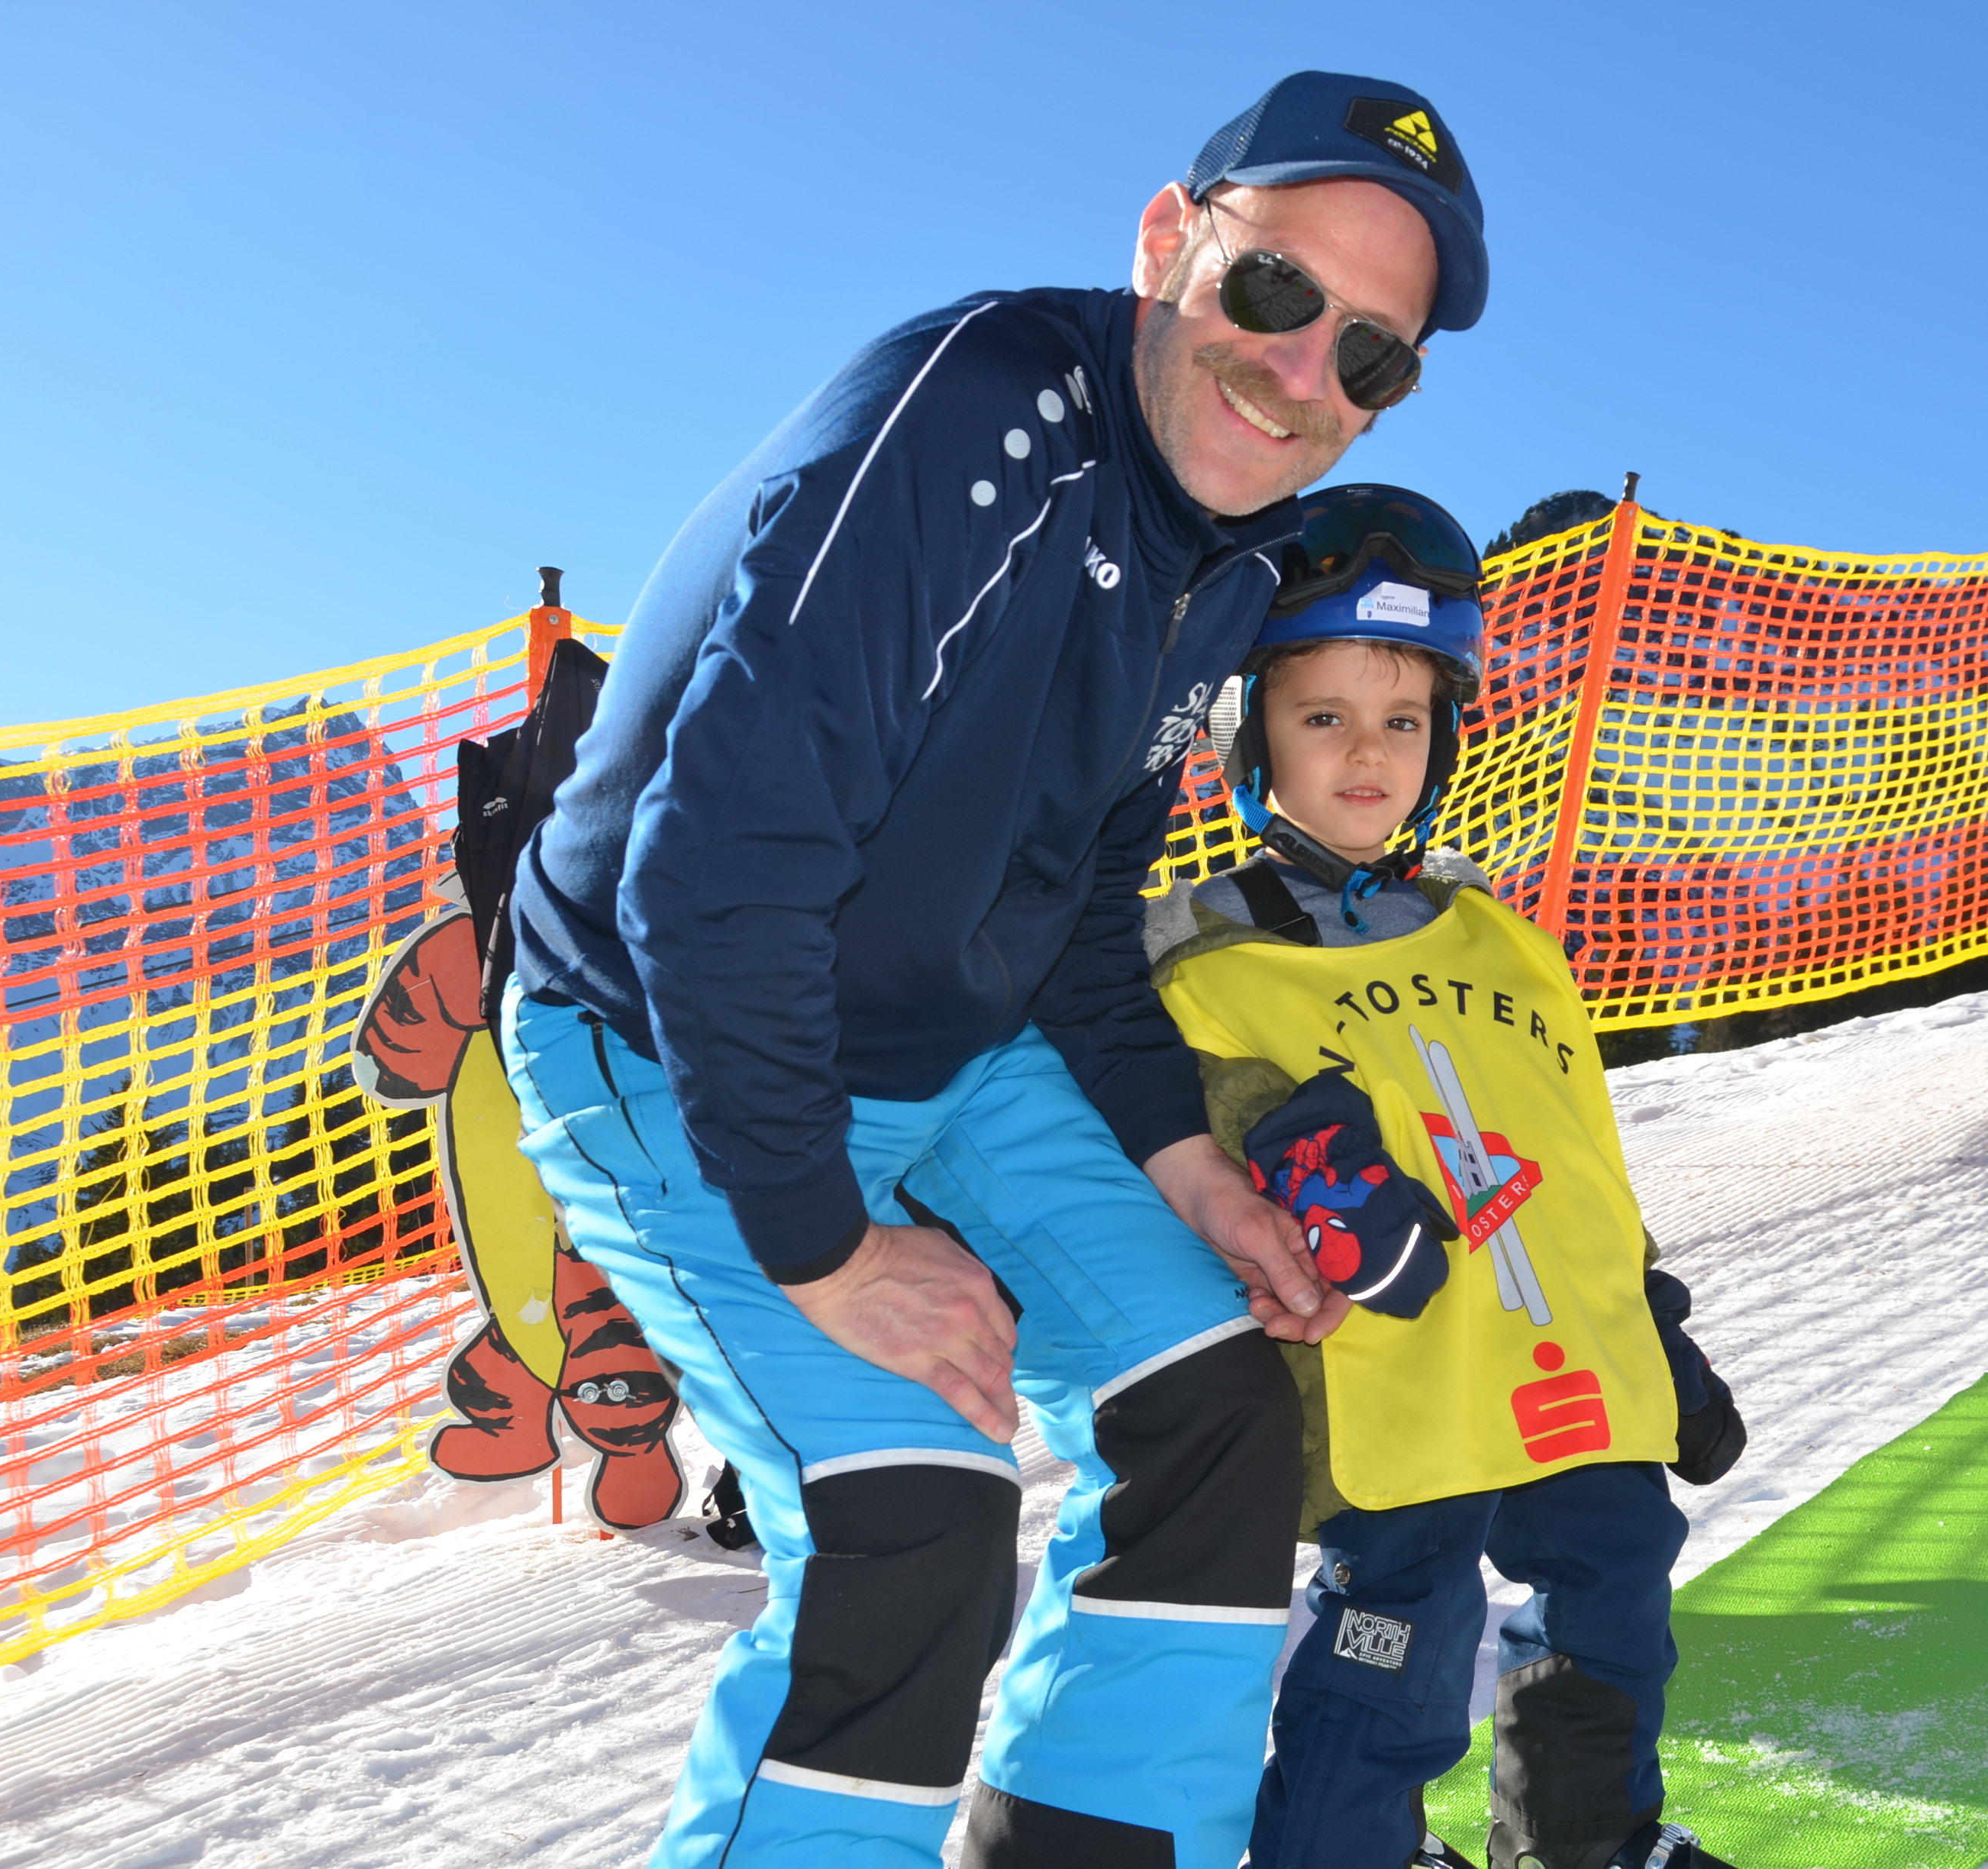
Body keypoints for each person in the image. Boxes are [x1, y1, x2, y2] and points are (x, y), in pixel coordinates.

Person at [499, 74, 1488, 1869]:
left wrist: (1194, 1171)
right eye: (1275, 289)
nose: (1302, 374)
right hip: (674, 1037)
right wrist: (828, 1248)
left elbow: (1083, 903)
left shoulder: (1230, 562)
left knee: (1211, 1419)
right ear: (1169, 240)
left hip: (958, 1051)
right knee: (907, 1532)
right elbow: (714, 870)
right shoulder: (980, 418)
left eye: (1371, 357)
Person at [1143, 485, 1749, 1869]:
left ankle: (1588, 1841)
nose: (1369, 753)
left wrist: (1656, 1326)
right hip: (1396, 1379)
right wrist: (1289, 1140)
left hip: (1571, 1366)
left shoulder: (1502, 937)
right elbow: (1183, 1111)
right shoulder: (1204, 950)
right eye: (1324, 717)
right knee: (1400, 1644)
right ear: (1249, 736)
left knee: (1617, 1594)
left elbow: (1579, 1155)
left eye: (1404, 720)